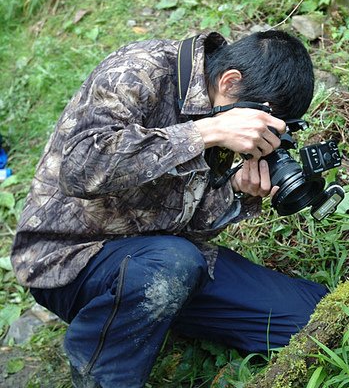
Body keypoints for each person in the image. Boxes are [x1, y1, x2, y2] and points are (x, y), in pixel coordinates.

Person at [10, 30, 328, 387]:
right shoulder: (140, 71)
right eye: (258, 124)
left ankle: (147, 312)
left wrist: (238, 192)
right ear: (230, 81)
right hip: (70, 257)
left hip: (162, 255)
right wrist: (203, 132)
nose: (257, 137)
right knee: (174, 262)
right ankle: (100, 374)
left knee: (309, 317)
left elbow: (188, 225)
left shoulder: (224, 106)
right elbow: (80, 168)